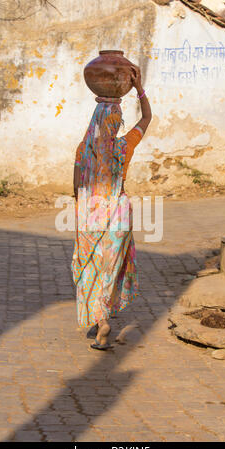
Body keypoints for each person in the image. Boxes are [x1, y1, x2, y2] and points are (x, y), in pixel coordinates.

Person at [71, 65, 152, 350]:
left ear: (94, 122)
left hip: (90, 211)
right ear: (117, 124)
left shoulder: (83, 150)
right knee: (111, 267)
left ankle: (100, 318)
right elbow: (147, 117)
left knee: (89, 265)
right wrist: (139, 87)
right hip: (119, 211)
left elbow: (76, 187)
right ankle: (105, 318)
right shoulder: (124, 147)